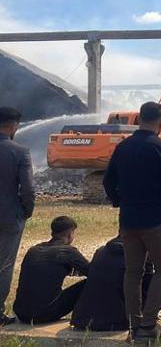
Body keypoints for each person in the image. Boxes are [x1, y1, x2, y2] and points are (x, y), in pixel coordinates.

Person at [103, 101, 161, 342]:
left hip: (128, 220)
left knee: (133, 272)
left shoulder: (122, 147)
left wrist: (119, 202)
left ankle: (134, 327)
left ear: (138, 119)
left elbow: (108, 181)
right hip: (156, 220)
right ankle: (148, 325)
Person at [71, 236, 161, 332]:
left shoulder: (100, 251)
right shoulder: (142, 256)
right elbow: (149, 290)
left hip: (82, 318)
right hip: (116, 321)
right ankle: (144, 323)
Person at [13, 216, 89, 324]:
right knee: (89, 282)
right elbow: (93, 272)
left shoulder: (33, 250)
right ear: (70, 234)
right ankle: (88, 318)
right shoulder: (67, 251)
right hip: (44, 314)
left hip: (21, 313)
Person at [0, 107, 34, 326]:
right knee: (4, 264)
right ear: (13, 126)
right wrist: (25, 212)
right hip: (10, 217)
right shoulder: (20, 151)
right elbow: (28, 189)